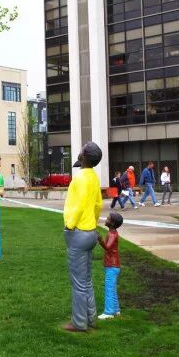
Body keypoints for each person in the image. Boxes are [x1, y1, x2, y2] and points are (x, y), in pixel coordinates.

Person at [62, 141, 103, 333]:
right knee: (86, 279)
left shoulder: (79, 178)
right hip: (91, 232)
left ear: (84, 156)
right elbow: (98, 205)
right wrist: (94, 222)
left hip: (77, 233)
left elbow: (78, 205)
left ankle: (79, 323)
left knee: (78, 282)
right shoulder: (94, 177)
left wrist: (69, 225)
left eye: (82, 150)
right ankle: (91, 317)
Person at [97, 211, 123, 320]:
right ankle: (116, 310)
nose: (106, 220)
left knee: (109, 289)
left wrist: (100, 240)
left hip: (112, 265)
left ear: (112, 223)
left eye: (108, 219)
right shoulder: (112, 233)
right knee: (112, 288)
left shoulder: (112, 234)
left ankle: (109, 312)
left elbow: (107, 248)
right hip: (113, 265)